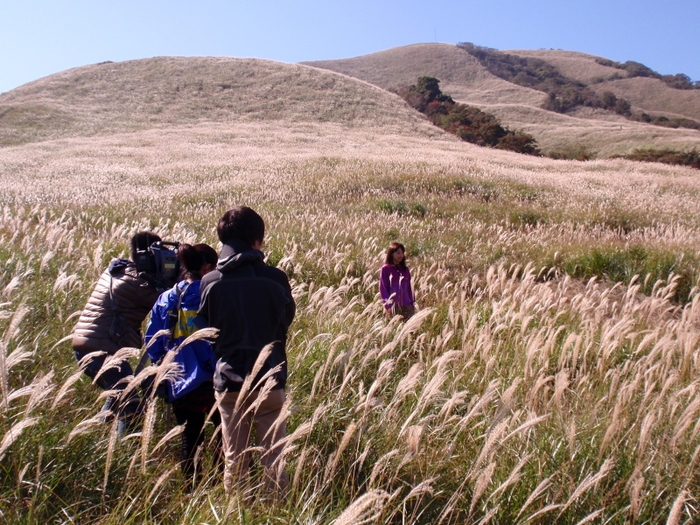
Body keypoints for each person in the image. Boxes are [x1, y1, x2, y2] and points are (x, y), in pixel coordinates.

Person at [198, 206, 295, 495]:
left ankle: (237, 511)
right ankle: (276, 512)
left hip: (229, 381)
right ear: (257, 240)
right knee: (274, 459)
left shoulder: (209, 282)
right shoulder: (276, 279)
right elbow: (285, 321)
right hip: (270, 378)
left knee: (234, 460)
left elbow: (206, 331)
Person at [144, 243, 221, 487]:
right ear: (208, 267)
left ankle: (191, 489)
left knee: (190, 438)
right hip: (215, 379)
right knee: (225, 436)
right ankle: (223, 486)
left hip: (179, 381)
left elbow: (152, 344)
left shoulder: (167, 298)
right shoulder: (216, 294)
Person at [72, 231, 163, 434]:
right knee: (130, 403)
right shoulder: (134, 282)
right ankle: (125, 450)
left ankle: (97, 432)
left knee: (117, 394)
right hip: (99, 350)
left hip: (90, 345)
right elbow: (165, 300)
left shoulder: (118, 270)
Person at [379, 242, 415, 319]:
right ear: (391, 254)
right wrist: (387, 305)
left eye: (402, 253)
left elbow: (409, 288)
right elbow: (383, 288)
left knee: (411, 330)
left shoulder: (405, 270)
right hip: (393, 306)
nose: (401, 255)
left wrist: (412, 303)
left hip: (406, 305)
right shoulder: (386, 269)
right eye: (398, 253)